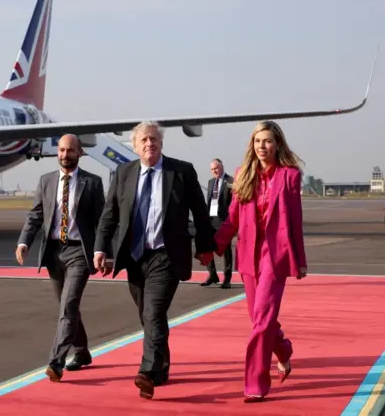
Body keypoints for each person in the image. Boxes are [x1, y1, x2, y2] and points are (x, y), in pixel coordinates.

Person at [93, 121, 215, 400]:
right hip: (134, 257)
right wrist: (101, 249)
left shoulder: (181, 171)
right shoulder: (123, 173)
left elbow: (199, 209)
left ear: (161, 144)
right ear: (135, 146)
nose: (150, 143)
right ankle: (161, 367)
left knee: (153, 312)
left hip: (166, 255)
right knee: (147, 316)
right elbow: (109, 215)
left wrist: (205, 247)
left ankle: (147, 371)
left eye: (154, 139)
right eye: (144, 140)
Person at [211, 120, 307, 403]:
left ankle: (255, 383)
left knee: (262, 321)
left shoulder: (290, 175)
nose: (261, 146)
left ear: (277, 143)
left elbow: (295, 220)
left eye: (266, 141)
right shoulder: (243, 175)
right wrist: (213, 245)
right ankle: (284, 351)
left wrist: (299, 259)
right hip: (249, 254)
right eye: (257, 141)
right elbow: (233, 218)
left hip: (275, 255)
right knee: (259, 318)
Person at [16, 134, 106, 382]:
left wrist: (104, 252)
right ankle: (82, 352)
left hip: (80, 251)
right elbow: (35, 215)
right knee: (67, 306)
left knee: (68, 305)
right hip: (54, 252)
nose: (65, 155)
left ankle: (56, 362)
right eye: (62, 150)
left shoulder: (93, 183)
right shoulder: (46, 181)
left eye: (71, 150)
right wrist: (24, 241)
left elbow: (102, 222)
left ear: (80, 153)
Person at [201, 158, 234, 288]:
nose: (215, 171)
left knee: (226, 251)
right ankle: (212, 275)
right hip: (211, 219)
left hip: (224, 221)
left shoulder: (231, 181)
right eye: (213, 169)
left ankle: (227, 279)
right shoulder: (210, 182)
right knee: (207, 247)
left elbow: (234, 203)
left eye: (217, 168)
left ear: (222, 166)